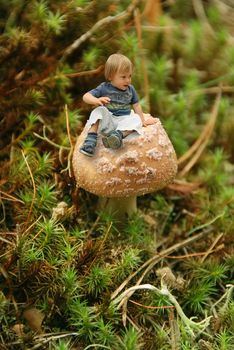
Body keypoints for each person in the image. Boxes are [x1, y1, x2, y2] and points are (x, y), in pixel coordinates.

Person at [79, 53, 156, 156]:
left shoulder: (131, 89)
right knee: (98, 111)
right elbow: (86, 96)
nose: (128, 80)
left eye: (130, 76)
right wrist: (96, 100)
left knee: (136, 120)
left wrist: (142, 121)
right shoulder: (104, 88)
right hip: (108, 121)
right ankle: (91, 140)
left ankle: (117, 136)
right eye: (123, 77)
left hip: (124, 121)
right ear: (110, 76)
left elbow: (136, 105)